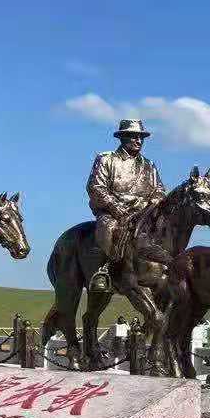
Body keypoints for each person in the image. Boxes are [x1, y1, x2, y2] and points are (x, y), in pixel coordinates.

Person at [86, 119, 167, 294]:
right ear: (122, 138)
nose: (139, 141)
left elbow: (159, 189)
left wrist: (156, 199)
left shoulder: (149, 165)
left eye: (141, 137)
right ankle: (103, 270)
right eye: (133, 136)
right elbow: (96, 187)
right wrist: (115, 207)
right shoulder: (106, 159)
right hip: (113, 212)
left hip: (143, 213)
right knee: (108, 228)